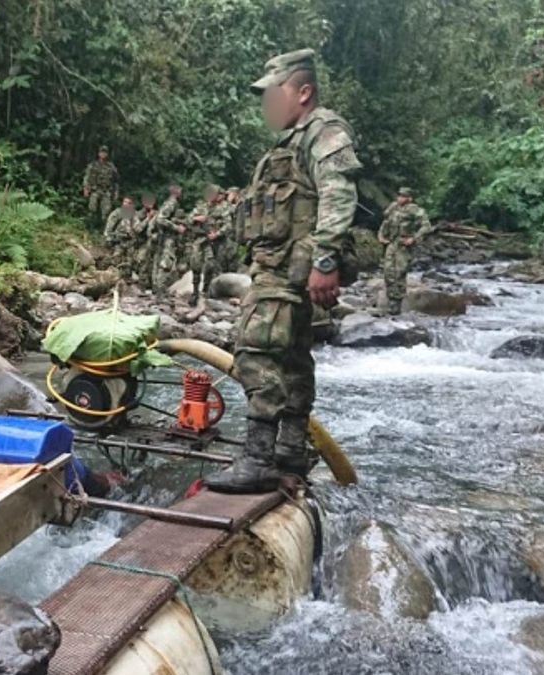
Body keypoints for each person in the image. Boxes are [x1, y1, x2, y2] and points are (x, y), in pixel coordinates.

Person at [204, 49, 361, 494]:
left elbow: (338, 195)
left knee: (256, 353)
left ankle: (258, 460)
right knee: (292, 361)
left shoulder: (324, 131)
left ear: (304, 91)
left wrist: (325, 261)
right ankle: (289, 452)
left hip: (291, 272)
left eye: (274, 93)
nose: (267, 104)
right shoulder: (290, 142)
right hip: (281, 270)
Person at [378, 187, 432, 315]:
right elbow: (385, 221)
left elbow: (426, 226)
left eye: (403, 196)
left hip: (404, 245)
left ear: (409, 198)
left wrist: (414, 238)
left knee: (399, 273)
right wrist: (380, 235)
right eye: (399, 195)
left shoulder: (415, 210)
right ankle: (391, 300)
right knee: (388, 271)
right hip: (392, 243)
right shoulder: (393, 207)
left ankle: (396, 303)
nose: (400, 198)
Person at [186, 184, 224, 307]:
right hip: (198, 240)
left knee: (211, 266)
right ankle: (195, 292)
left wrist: (217, 234)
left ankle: (206, 290)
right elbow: (188, 220)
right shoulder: (200, 207)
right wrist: (197, 218)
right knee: (195, 266)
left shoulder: (222, 209)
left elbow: (228, 225)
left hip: (212, 241)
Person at [151, 184, 186, 295]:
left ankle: (156, 288)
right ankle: (160, 290)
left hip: (165, 237)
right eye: (180, 191)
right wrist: (177, 227)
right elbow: (160, 219)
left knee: (159, 262)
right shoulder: (172, 203)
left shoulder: (168, 203)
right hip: (168, 238)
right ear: (176, 192)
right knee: (166, 263)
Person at [82, 146, 119, 230]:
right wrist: (86, 189)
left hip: (106, 191)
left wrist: (116, 192)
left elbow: (116, 181)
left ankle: (103, 230)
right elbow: (87, 178)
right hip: (95, 190)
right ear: (99, 154)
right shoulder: (93, 165)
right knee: (92, 209)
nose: (103, 154)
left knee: (106, 212)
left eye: (105, 152)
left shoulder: (111, 167)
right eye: (102, 152)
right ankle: (90, 228)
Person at [103, 196, 136, 274]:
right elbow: (109, 226)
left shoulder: (134, 214)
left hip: (130, 242)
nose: (126, 204)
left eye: (129, 203)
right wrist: (108, 238)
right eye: (125, 202)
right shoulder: (118, 212)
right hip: (118, 240)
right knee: (115, 259)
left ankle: (127, 277)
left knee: (129, 262)